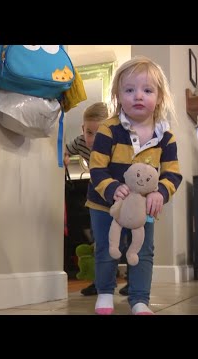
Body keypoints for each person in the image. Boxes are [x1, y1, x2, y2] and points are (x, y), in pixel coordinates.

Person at [85, 56, 182, 315]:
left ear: (159, 97)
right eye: (129, 90)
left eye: (147, 90)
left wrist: (161, 193)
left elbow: (173, 174)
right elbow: (96, 166)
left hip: (143, 207)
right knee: (107, 247)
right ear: (118, 94)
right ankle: (105, 291)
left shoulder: (166, 137)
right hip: (104, 203)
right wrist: (111, 187)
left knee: (143, 250)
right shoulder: (108, 129)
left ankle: (139, 299)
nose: (138, 96)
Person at [63, 102, 129, 296]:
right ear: (83, 129)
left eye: (99, 133)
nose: (92, 139)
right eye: (89, 132)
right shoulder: (81, 142)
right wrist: (64, 156)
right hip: (98, 196)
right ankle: (100, 281)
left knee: (125, 238)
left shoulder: (116, 142)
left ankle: (132, 279)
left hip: (121, 193)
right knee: (100, 241)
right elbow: (65, 148)